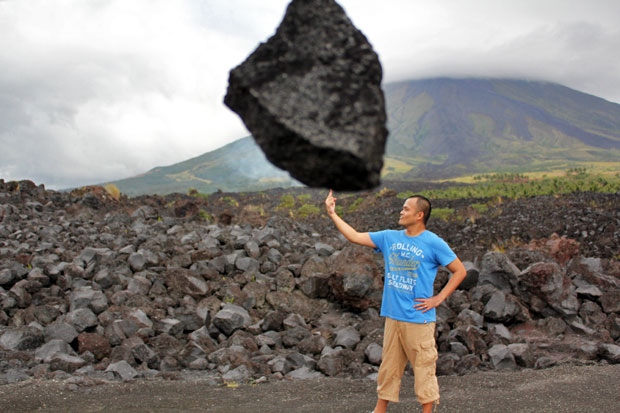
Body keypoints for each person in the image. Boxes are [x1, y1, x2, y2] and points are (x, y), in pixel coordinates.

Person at [324, 189, 466, 413]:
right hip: (393, 316)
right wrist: (333, 213)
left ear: (419, 215)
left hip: (418, 319)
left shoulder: (433, 242)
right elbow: (354, 236)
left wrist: (438, 298)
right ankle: (379, 411)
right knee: (388, 369)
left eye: (406, 209)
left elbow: (459, 271)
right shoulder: (389, 237)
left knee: (423, 368)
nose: (401, 211)